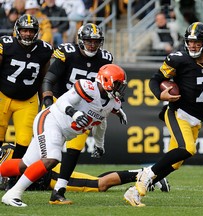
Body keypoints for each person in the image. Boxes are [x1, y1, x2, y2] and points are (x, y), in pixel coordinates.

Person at [123, 22, 203, 207]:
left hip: (196, 118)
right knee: (188, 149)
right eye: (190, 42)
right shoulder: (178, 59)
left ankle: (134, 191)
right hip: (178, 112)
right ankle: (146, 177)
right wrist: (160, 94)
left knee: (174, 163)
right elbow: (155, 79)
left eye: (197, 42)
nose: (192, 46)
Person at [0, 64, 127, 207]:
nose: (119, 88)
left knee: (25, 165)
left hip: (61, 132)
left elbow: (101, 124)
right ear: (105, 80)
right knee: (52, 159)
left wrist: (99, 145)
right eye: (117, 83)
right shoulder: (87, 87)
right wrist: (75, 113)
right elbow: (61, 101)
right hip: (50, 120)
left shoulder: (112, 104)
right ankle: (13, 194)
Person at [41, 23, 119, 205]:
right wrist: (46, 100)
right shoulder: (68, 52)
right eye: (88, 41)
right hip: (60, 104)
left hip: (83, 110)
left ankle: (59, 189)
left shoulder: (105, 58)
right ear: (80, 40)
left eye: (95, 41)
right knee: (44, 150)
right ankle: (20, 178)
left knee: (74, 150)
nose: (92, 45)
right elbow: (49, 78)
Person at [0, 13, 53, 185]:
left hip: (27, 100)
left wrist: (45, 100)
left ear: (36, 32)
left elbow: (44, 78)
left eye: (31, 31)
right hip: (3, 96)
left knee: (24, 140)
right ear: (17, 30)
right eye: (24, 30)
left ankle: (12, 177)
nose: (27, 34)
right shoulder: (6, 45)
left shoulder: (44, 50)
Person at [0, 143, 170, 193]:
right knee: (95, 180)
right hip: (48, 178)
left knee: (100, 185)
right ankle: (145, 175)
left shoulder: (7, 154)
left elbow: (16, 167)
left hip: (51, 176)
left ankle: (149, 174)